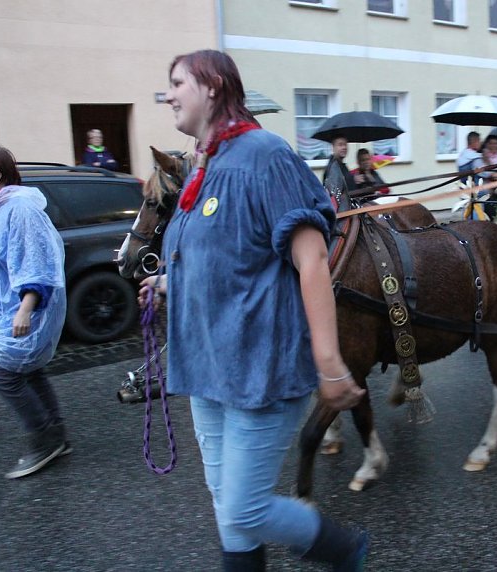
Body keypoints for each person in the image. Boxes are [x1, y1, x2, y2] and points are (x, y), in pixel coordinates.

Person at [140, 49, 368, 571]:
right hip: (206, 367)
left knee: (244, 508)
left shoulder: (265, 154)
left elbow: (311, 261)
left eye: (177, 82)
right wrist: (168, 282)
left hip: (256, 365)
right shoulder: (205, 163)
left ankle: (343, 547)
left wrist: (330, 365)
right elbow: (220, 252)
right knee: (228, 507)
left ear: (214, 86)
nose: (168, 93)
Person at [0, 144, 69, 479]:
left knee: (5, 376)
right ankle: (57, 435)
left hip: (18, 310)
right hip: (3, 309)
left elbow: (35, 259)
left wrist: (26, 306)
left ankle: (43, 442)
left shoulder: (18, 208)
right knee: (29, 372)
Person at [322, 135, 357, 210]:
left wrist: (354, 179)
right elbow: (335, 196)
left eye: (345, 145)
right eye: (340, 145)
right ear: (333, 147)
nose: (344, 147)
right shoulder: (333, 168)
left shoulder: (341, 165)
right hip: (343, 213)